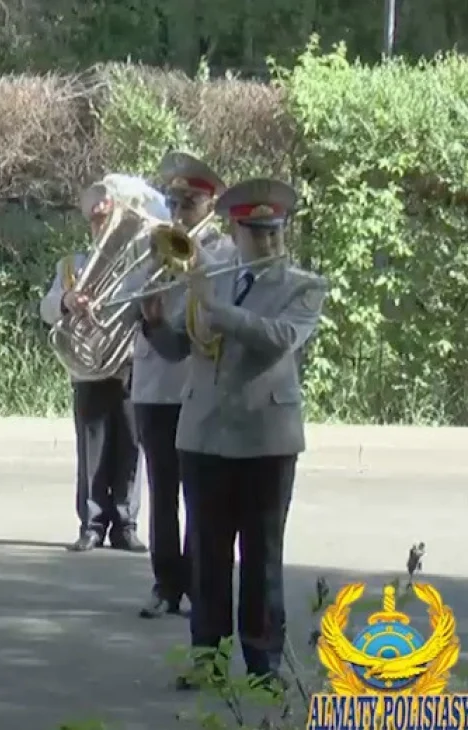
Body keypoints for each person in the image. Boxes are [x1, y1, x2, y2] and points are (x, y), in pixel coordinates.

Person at [139, 178, 327, 689]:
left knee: (263, 556)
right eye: (254, 233)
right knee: (207, 555)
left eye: (273, 232)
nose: (265, 243)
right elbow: (184, 347)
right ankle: (209, 663)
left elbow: (280, 339)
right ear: (236, 231)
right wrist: (155, 324)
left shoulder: (303, 285)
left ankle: (264, 667)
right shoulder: (211, 274)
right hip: (204, 435)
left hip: (266, 439)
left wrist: (220, 312)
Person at [135, 152, 234, 619]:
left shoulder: (226, 255)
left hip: (197, 387)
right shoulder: (154, 245)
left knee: (200, 494)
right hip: (154, 386)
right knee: (161, 493)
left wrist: (193, 262)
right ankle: (165, 583)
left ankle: (197, 583)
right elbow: (137, 298)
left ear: (210, 206)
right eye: (174, 203)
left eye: (189, 203)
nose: (178, 213)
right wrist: (148, 310)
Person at [39, 182, 144, 553]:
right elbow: (47, 309)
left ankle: (126, 524)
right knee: (92, 450)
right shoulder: (71, 266)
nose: (106, 228)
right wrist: (68, 300)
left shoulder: (137, 264)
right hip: (89, 366)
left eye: (111, 220)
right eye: (100, 221)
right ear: (91, 224)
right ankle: (92, 524)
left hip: (129, 363)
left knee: (131, 446)